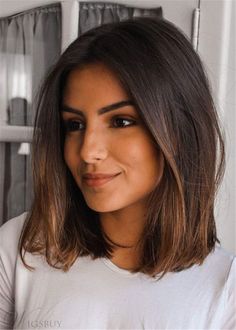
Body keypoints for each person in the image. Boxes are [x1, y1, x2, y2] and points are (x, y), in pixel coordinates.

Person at [0, 17, 235, 330]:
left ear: (179, 131)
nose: (87, 151)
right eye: (75, 125)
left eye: (121, 122)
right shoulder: (20, 248)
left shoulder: (225, 293)